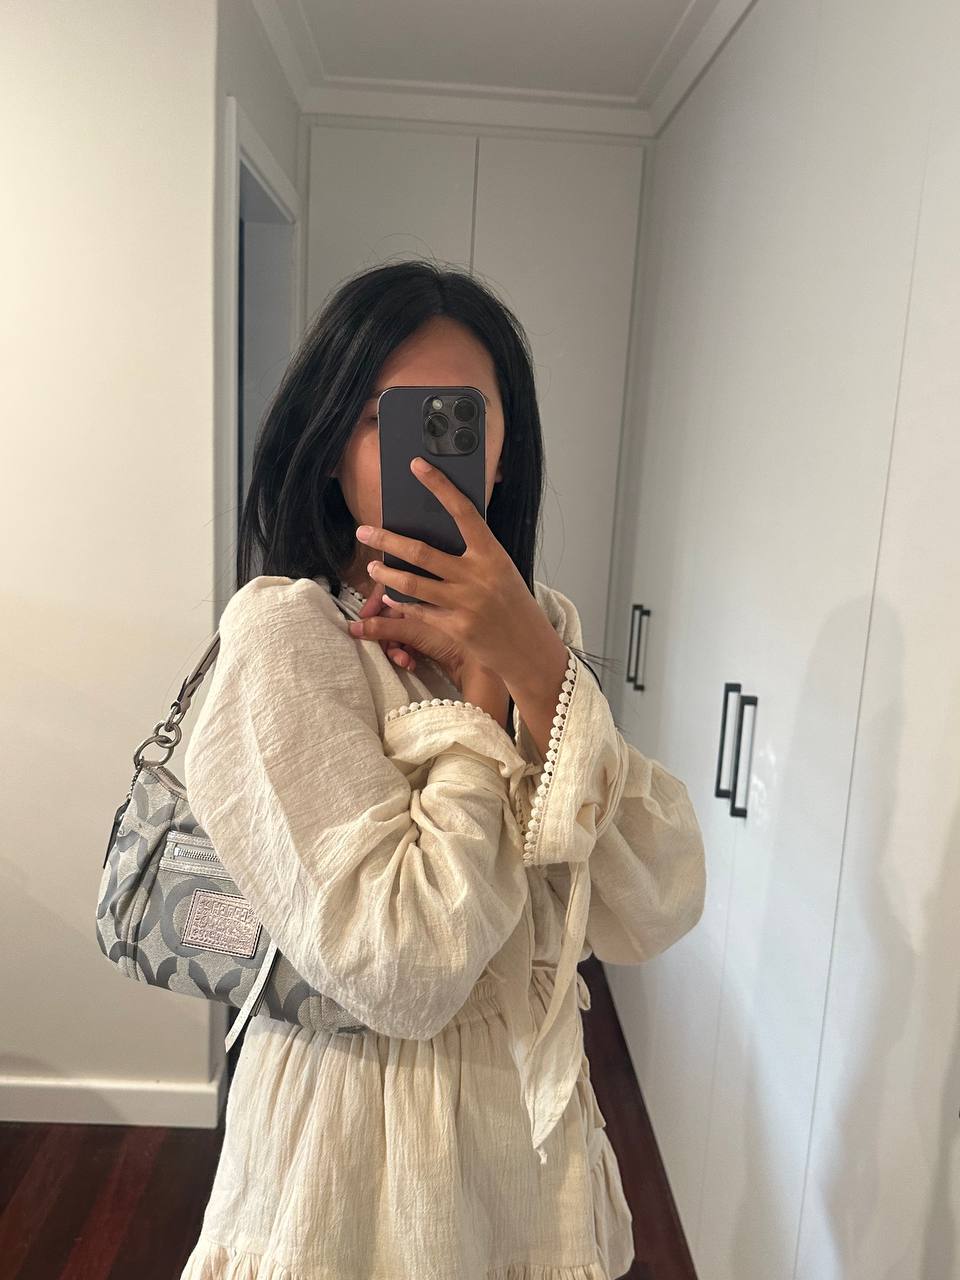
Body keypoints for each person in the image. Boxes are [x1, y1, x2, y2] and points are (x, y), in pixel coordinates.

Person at [178, 260, 707, 1280]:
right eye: (383, 417)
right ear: (330, 450)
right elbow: (407, 969)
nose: (424, 455)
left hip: (530, 1166)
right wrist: (481, 707)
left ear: (502, 457)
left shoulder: (542, 632)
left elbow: (657, 902)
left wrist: (535, 665)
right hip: (356, 1173)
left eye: (457, 419)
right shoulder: (288, 640)